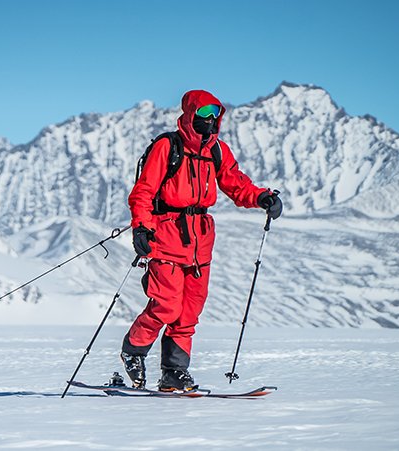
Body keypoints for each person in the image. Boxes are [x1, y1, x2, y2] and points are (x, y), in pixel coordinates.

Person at [121, 89, 282, 391]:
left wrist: (262, 197)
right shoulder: (168, 147)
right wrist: (141, 227)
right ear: (190, 113)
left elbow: (236, 184)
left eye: (215, 115)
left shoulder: (217, 152)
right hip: (166, 235)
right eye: (203, 114)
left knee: (188, 313)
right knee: (166, 306)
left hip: (200, 242)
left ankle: (173, 373)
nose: (209, 121)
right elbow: (143, 191)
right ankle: (133, 349)